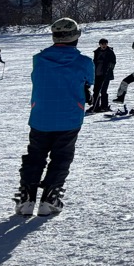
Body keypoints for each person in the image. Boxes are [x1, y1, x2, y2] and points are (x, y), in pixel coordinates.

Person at [14, 17, 93, 216]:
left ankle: (26, 198)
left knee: (35, 155)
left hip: (41, 115)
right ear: (76, 37)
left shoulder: (39, 59)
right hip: (69, 117)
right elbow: (89, 81)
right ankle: (50, 198)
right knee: (62, 157)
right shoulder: (84, 62)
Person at [90, 39, 117, 113]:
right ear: (100, 44)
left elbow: (113, 62)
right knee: (96, 90)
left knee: (103, 91)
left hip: (105, 74)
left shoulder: (110, 52)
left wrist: (110, 67)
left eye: (105, 44)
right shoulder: (97, 52)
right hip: (97, 73)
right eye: (102, 44)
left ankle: (104, 106)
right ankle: (95, 106)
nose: (104, 45)